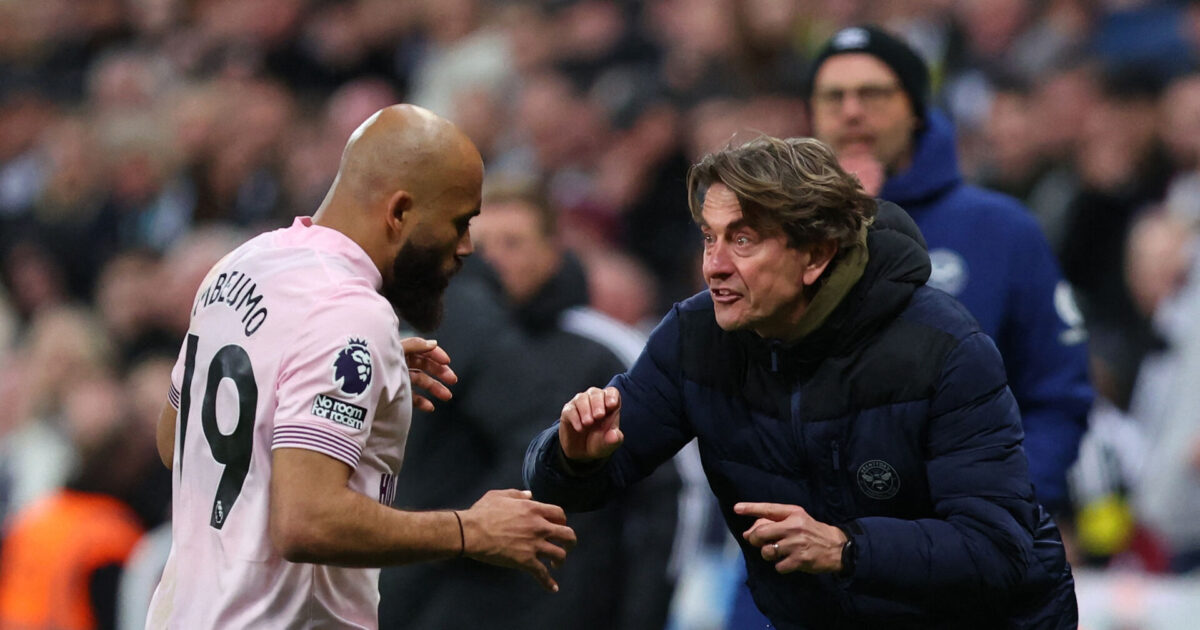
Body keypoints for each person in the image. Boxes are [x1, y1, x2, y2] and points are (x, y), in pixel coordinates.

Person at [524, 136, 1077, 629]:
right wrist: (574, 455)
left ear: (814, 255)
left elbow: (996, 550)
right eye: (708, 238)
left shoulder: (946, 349)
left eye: (742, 240)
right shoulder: (695, 335)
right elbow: (575, 483)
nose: (713, 266)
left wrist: (847, 548)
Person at [146, 105, 576, 629]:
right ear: (398, 212)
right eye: (460, 221)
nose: (467, 247)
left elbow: (176, 444)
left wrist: (364, 378)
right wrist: (470, 529)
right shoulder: (351, 314)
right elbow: (306, 522)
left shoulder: (243, 263)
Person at [806, 25, 1093, 523]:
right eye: (833, 97)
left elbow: (1058, 394)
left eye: (872, 93)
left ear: (916, 108)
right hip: (808, 554)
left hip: (966, 550)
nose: (851, 110)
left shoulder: (1003, 231)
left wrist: (1006, 506)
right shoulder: (775, 238)